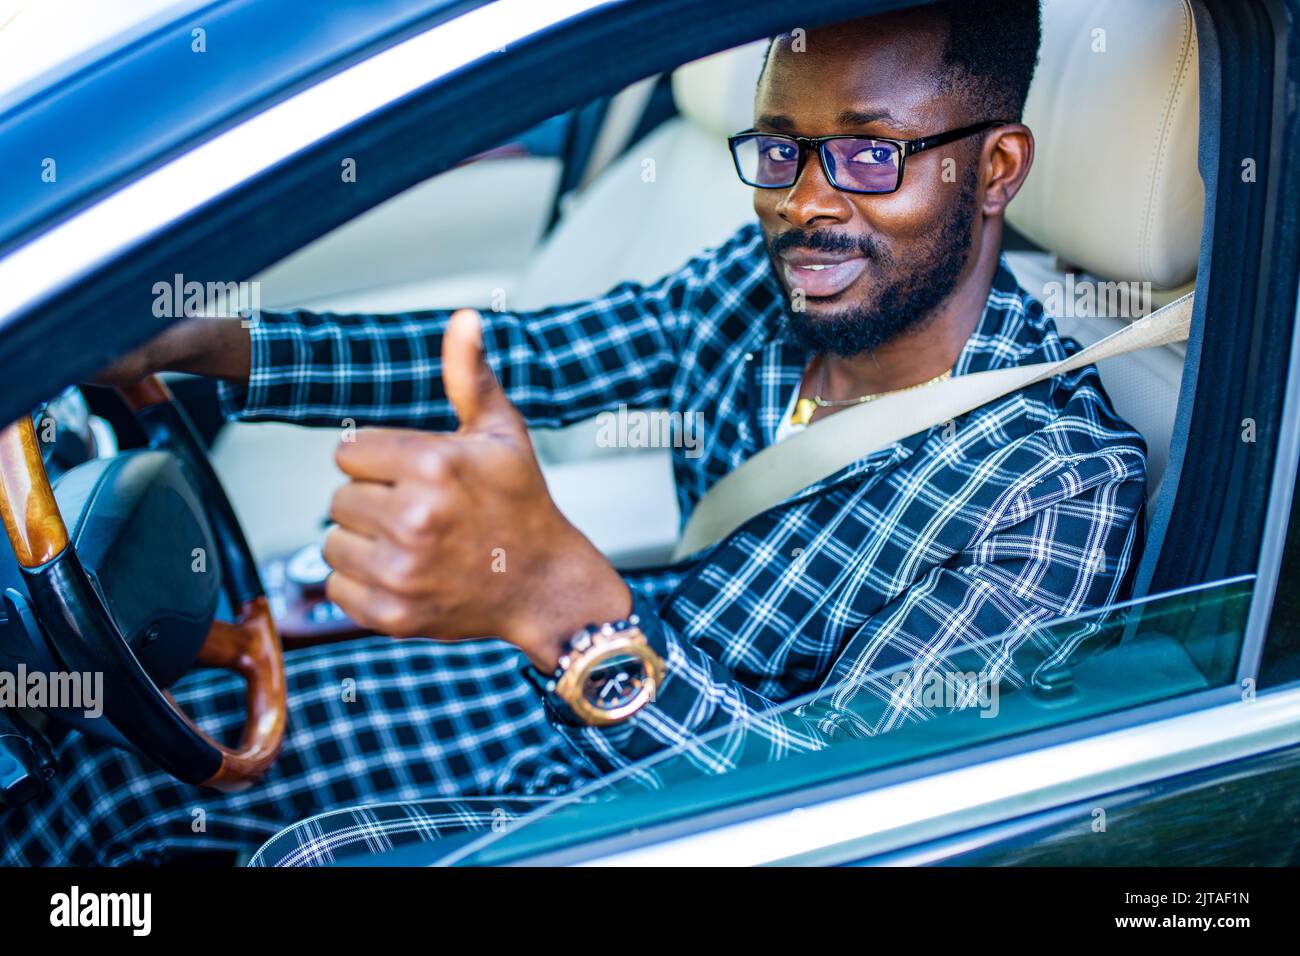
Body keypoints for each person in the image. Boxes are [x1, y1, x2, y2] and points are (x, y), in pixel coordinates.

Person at [2, 0, 1146, 866]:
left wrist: (560, 605)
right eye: (779, 148)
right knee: (105, 768)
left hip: (673, 772)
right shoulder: (770, 290)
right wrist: (214, 346)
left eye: (866, 154)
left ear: (994, 169)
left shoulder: (1049, 485)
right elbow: (534, 354)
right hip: (557, 681)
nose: (804, 199)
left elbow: (840, 813)